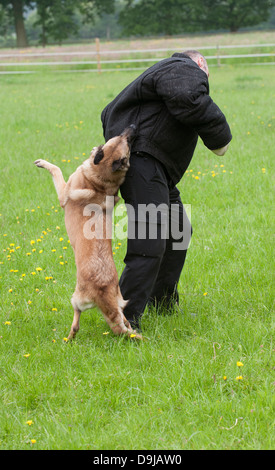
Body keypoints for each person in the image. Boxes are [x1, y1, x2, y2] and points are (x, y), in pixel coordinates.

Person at [101, 50, 232, 330]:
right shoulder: (182, 67)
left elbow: (108, 112)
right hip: (144, 163)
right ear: (200, 63)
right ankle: (123, 318)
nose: (204, 80)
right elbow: (188, 97)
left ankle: (161, 303)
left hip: (155, 166)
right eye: (205, 73)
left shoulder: (163, 75)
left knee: (178, 230)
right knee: (149, 241)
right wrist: (220, 138)